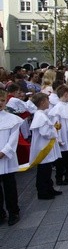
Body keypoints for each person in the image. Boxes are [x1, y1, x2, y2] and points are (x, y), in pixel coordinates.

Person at [29, 93, 62, 200]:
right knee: (43, 171)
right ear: (42, 102)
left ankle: (49, 188)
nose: (49, 102)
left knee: (47, 170)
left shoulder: (41, 114)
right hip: (43, 148)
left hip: (46, 147)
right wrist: (54, 131)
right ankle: (43, 192)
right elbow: (45, 132)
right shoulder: (40, 116)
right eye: (47, 100)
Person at [48, 84, 68, 186]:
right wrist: (58, 138)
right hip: (63, 135)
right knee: (61, 159)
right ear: (66, 94)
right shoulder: (58, 108)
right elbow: (56, 125)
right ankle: (59, 178)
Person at [0, 89, 23, 225]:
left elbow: (14, 138)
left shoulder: (12, 119)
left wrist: (5, 151)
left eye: (2, 100)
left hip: (6, 157)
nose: (0, 103)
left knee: (9, 186)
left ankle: (13, 211)